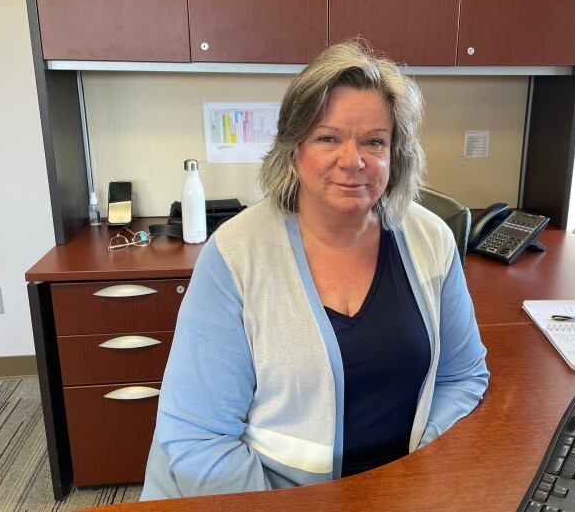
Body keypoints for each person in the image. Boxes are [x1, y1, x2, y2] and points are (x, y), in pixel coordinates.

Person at [141, 41, 489, 500]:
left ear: (395, 155)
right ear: (293, 150)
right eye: (328, 137)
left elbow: (463, 376)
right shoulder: (234, 256)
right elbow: (199, 438)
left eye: (374, 141)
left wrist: (415, 472)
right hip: (269, 495)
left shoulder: (431, 240)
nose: (354, 159)